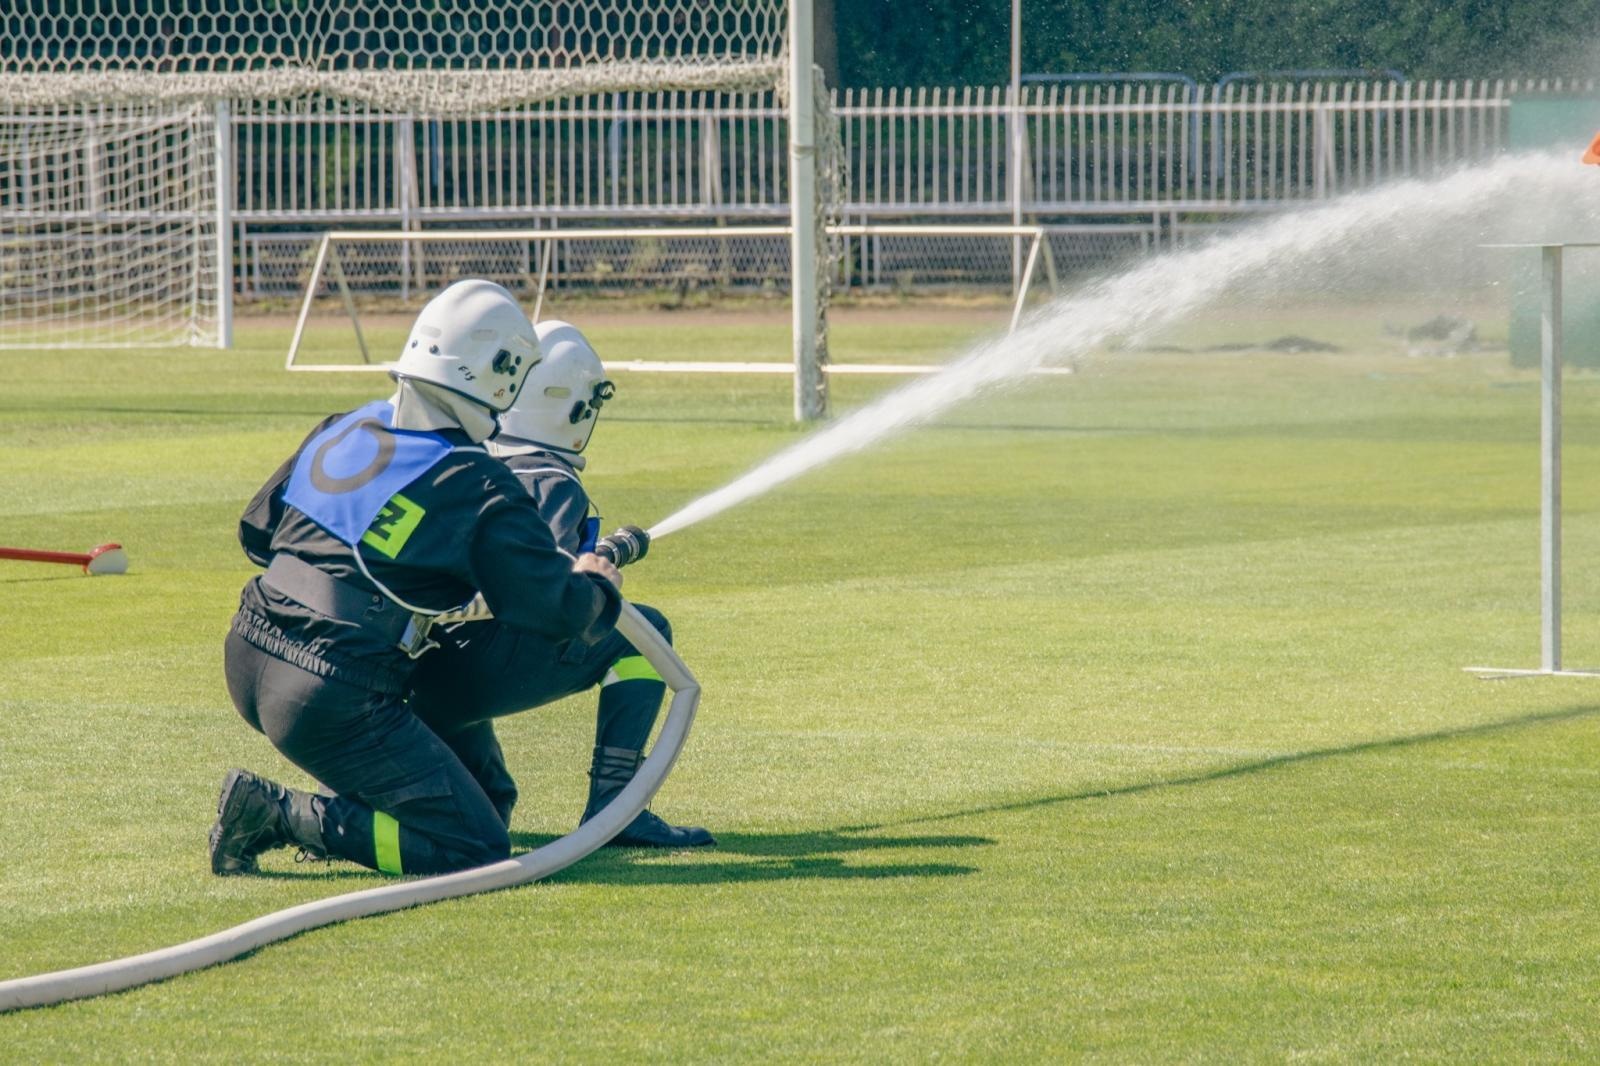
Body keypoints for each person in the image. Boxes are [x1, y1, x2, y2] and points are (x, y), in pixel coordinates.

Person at [211, 280, 625, 877]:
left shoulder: (345, 425)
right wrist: (596, 580)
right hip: (331, 693)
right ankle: (277, 813)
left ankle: (331, 810)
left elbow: (256, 533)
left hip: (247, 649)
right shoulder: (478, 483)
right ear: (502, 374)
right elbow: (558, 610)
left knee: (488, 807)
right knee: (474, 848)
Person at [406, 320, 715, 848]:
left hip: (416, 677)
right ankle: (617, 809)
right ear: (574, 407)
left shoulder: (466, 458)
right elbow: (544, 591)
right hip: (473, 669)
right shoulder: (551, 479)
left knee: (491, 801)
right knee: (647, 630)